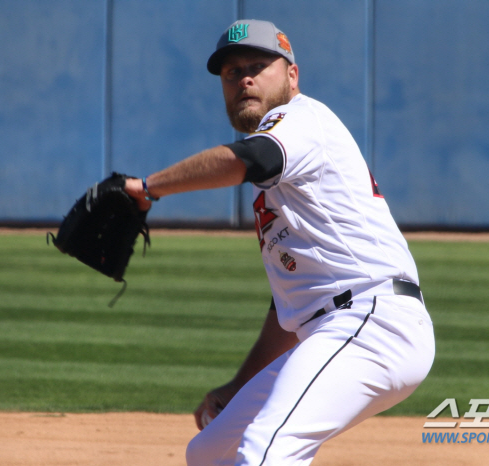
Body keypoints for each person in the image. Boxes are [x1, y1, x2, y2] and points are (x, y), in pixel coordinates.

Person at [124, 19, 435, 466]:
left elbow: (253, 157)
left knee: (267, 449)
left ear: (292, 75)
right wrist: (237, 387)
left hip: (373, 322)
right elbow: (289, 308)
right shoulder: (280, 176)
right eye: (231, 73)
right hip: (334, 328)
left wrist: (149, 187)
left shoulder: (299, 120)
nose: (243, 78)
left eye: (257, 66)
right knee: (211, 453)